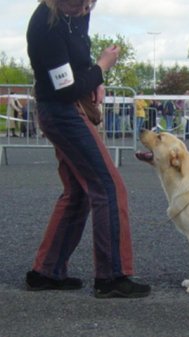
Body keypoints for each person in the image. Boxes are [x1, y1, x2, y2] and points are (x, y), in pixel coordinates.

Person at [25, 0, 150, 298]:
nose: (82, 9)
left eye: (88, 3)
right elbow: (66, 88)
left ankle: (46, 272)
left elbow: (77, 62)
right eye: (75, 4)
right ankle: (112, 277)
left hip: (66, 109)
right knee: (108, 186)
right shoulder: (45, 24)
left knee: (78, 192)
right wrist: (102, 67)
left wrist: (97, 80)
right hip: (61, 112)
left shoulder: (78, 13)